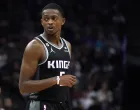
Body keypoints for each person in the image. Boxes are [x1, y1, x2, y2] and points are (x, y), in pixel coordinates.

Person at [19, 3, 77, 110]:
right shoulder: (35, 46)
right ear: (42, 22)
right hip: (40, 104)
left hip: (61, 105)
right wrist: (57, 80)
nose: (50, 22)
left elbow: (65, 84)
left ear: (63, 21)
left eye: (54, 18)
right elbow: (23, 87)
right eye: (46, 19)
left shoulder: (67, 45)